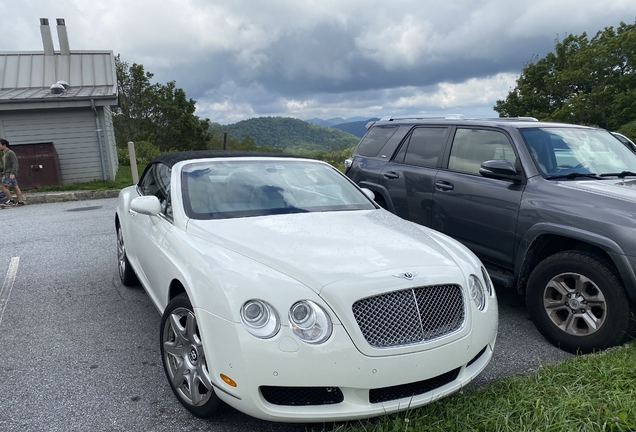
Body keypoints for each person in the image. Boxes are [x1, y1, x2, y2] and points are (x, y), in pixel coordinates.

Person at [0, 138, 24, 206]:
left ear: (4, 145)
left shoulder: (10, 152)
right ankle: (20, 201)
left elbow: (15, 163)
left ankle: (11, 200)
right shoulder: (5, 153)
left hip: (9, 173)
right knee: (15, 187)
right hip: (7, 172)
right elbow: (6, 165)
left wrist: (13, 172)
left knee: (2, 186)